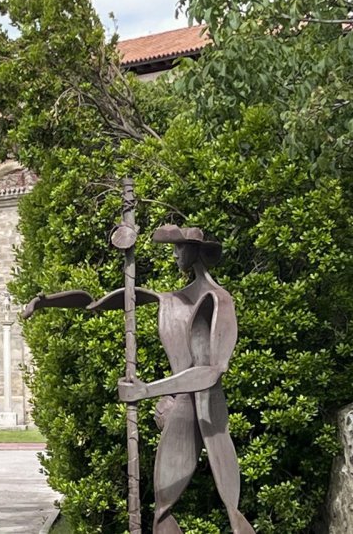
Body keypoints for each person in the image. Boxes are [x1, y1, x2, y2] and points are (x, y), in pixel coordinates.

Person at [24, 224, 254, 534]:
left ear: (196, 251)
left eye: (179, 248)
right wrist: (47, 301)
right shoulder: (170, 300)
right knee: (163, 508)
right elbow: (100, 302)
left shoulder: (219, 300)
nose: (174, 254)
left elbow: (212, 372)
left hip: (209, 412)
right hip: (182, 409)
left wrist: (148, 390)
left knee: (230, 505)